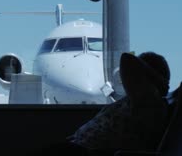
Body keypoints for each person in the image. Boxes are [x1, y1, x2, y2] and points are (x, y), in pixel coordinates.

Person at [43, 51, 171, 156]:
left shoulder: (148, 102)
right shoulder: (132, 102)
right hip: (78, 147)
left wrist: (160, 83)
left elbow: (127, 59)